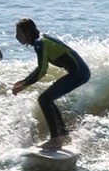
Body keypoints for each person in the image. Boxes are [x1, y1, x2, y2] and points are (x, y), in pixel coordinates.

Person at [9, 18, 92, 151]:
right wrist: (24, 81)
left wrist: (23, 86)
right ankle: (63, 135)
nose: (16, 36)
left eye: (19, 33)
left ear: (27, 33)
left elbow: (42, 71)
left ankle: (56, 139)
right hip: (80, 72)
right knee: (48, 99)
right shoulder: (40, 40)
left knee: (44, 99)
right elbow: (40, 68)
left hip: (79, 73)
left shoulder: (40, 43)